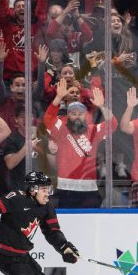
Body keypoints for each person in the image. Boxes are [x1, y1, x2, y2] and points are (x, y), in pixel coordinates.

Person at [44, 79, 116, 208]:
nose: (77, 116)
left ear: (85, 116)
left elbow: (113, 125)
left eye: (80, 114)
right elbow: (48, 118)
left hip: (89, 189)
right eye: (73, 113)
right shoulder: (61, 127)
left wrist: (102, 106)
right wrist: (58, 97)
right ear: (68, 115)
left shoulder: (92, 130)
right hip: (66, 188)